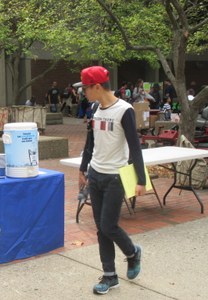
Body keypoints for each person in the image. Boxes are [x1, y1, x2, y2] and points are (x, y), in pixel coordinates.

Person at [76, 66, 146, 295]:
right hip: (96, 174)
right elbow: (90, 142)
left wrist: (141, 179)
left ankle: (132, 253)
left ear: (97, 86)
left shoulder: (124, 110)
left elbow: (135, 147)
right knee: (101, 229)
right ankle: (109, 276)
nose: (82, 92)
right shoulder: (95, 108)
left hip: (115, 176)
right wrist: (83, 169)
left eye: (85, 88)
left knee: (108, 225)